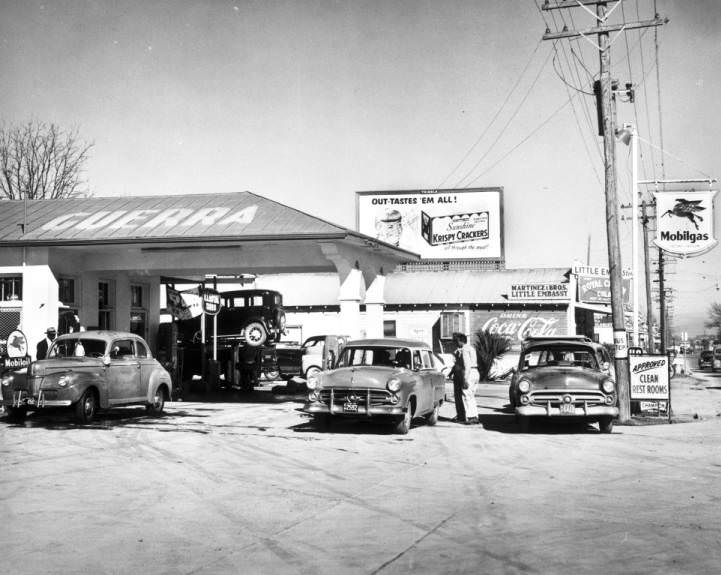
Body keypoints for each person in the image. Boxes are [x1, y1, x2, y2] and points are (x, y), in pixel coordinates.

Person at [451, 332, 480, 425]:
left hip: (470, 373)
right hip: (476, 372)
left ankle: (470, 417)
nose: (455, 343)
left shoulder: (464, 350)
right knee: (471, 396)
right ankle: (475, 416)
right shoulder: (471, 348)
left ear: (460, 341)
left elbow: (467, 366)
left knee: (466, 395)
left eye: (456, 341)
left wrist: (464, 379)